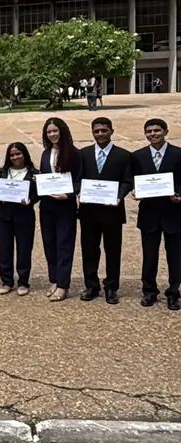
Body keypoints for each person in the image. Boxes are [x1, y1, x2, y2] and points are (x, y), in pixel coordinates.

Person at [79, 118, 132, 304]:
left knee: (113, 250)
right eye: (96, 131)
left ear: (112, 131)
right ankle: (91, 285)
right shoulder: (83, 154)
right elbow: (77, 179)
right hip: (88, 211)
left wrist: (119, 196)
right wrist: (80, 191)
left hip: (113, 211)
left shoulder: (124, 155)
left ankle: (112, 287)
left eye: (104, 130)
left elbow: (127, 181)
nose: (100, 134)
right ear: (92, 132)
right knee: (89, 250)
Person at [131, 118, 181, 310]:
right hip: (149, 214)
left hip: (174, 212)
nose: (153, 134)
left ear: (166, 131)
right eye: (149, 131)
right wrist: (136, 191)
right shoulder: (138, 156)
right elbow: (133, 179)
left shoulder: (178, 154)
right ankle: (149, 291)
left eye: (157, 130)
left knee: (175, 256)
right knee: (149, 255)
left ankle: (174, 292)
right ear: (145, 134)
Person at [39, 118, 83, 302]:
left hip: (65, 205)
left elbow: (80, 180)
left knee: (64, 245)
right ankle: (54, 279)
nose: (52, 135)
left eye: (55, 131)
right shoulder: (45, 153)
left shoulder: (74, 153)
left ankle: (63, 284)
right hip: (47, 205)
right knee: (49, 244)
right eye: (49, 132)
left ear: (62, 131)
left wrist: (69, 194)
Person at [0, 142, 39, 296]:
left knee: (24, 249)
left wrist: (31, 201)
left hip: (24, 215)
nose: (15, 157)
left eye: (18, 154)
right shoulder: (2, 172)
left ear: (24, 154)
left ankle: (23, 281)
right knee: (4, 249)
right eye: (12, 155)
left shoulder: (34, 174)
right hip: (4, 216)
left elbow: (38, 194)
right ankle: (7, 281)